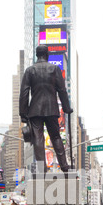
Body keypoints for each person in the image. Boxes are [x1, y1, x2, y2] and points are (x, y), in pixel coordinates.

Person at [19, 45, 73, 173]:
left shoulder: (30, 70)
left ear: (37, 55)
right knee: (56, 137)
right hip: (51, 109)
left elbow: (24, 93)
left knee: (38, 138)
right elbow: (62, 90)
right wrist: (66, 108)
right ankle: (65, 166)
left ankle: (42, 169)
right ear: (47, 54)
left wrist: (23, 113)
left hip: (35, 110)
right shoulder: (55, 69)